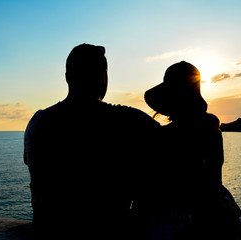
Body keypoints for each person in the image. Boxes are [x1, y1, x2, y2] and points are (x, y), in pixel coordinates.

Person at [23, 44, 159, 239]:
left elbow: (32, 163)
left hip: (46, 232)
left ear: (67, 77)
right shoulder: (130, 121)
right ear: (104, 78)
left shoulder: (37, 121)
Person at [136, 61, 241, 239]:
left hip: (182, 219)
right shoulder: (213, 130)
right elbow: (214, 181)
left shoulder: (164, 136)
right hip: (215, 212)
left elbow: (153, 189)